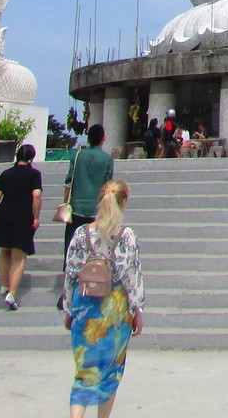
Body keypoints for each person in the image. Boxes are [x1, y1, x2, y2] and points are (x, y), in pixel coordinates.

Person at [64, 179, 145, 418]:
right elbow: (132, 275)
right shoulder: (126, 235)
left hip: (84, 305)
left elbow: (70, 273)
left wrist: (69, 309)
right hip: (116, 309)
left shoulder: (81, 233)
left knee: (84, 371)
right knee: (111, 371)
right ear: (124, 202)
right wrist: (137, 310)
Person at [0, 143, 40, 310]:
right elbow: (36, 195)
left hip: (3, 215)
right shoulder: (34, 174)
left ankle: (4, 285)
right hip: (22, 217)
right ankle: (12, 293)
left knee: (4, 251)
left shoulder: (6, 174)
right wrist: (36, 217)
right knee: (19, 256)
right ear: (31, 158)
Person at [62, 124, 115, 257]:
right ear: (103, 138)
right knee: (95, 246)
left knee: (72, 244)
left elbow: (69, 181)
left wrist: (65, 203)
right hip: (96, 209)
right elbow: (108, 187)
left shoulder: (78, 155)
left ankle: (70, 270)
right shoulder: (107, 159)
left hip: (76, 207)